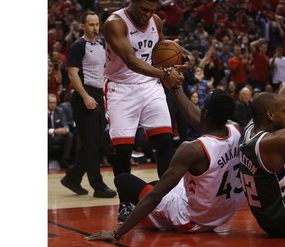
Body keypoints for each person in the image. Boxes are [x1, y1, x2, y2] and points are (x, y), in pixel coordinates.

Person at [85, 88, 246, 242]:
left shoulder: (193, 149)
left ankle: (147, 216)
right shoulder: (237, 130)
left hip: (191, 220)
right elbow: (203, 124)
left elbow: (155, 196)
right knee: (153, 185)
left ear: (205, 113)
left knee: (123, 180)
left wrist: (116, 233)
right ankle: (151, 212)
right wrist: (176, 89)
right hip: (221, 214)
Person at [103, 0, 184, 222]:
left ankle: (169, 199)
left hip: (150, 85)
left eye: (151, 10)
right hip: (121, 87)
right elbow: (130, 60)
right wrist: (165, 75)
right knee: (123, 150)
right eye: (143, 9)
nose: (147, 15)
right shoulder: (114, 24)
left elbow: (160, 51)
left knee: (165, 142)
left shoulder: (156, 21)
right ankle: (126, 203)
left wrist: (175, 63)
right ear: (132, 2)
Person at [60, 11, 117, 199]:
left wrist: (104, 97)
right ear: (82, 26)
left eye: (97, 24)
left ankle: (73, 177)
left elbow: (102, 74)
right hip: (84, 95)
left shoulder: (100, 46)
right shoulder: (78, 46)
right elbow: (72, 74)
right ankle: (97, 185)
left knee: (97, 142)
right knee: (91, 144)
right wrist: (85, 96)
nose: (95, 28)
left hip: (97, 95)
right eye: (91, 25)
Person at [238, 76, 285, 237]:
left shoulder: (250, 127)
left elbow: (282, 98)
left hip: (269, 220)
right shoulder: (272, 142)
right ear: (271, 115)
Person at [48, 93, 73, 169]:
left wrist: (65, 129)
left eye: (54, 102)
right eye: (51, 103)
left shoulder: (59, 111)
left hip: (56, 138)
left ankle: (65, 160)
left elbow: (65, 124)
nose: (53, 105)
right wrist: (54, 131)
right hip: (47, 137)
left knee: (69, 135)